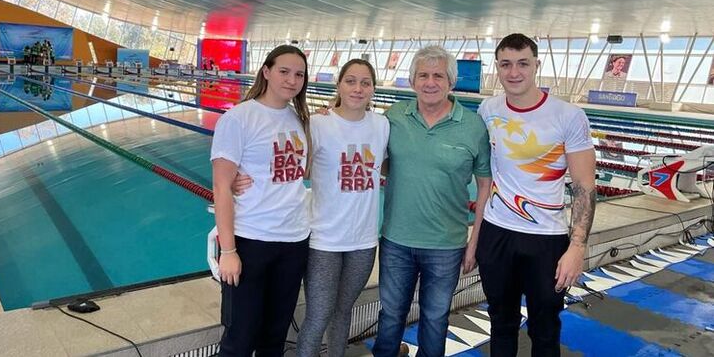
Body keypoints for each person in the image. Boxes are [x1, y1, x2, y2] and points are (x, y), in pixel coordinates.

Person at [234, 59, 390, 357]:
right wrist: (234, 180)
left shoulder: (381, 125)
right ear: (339, 85)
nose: (358, 89)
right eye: (351, 81)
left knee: (344, 313)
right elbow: (288, 165)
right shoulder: (317, 124)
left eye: (366, 83)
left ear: (373, 88)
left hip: (364, 240)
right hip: (323, 239)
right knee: (318, 316)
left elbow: (390, 166)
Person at [470, 33, 596, 356]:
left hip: (546, 239)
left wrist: (577, 248)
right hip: (497, 234)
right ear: (497, 68)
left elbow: (584, 187)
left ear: (536, 65)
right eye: (506, 65)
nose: (514, 73)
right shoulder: (488, 109)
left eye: (522, 64)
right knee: (500, 323)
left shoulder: (568, 116)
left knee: (545, 327)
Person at [373, 46, 492, 357]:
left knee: (435, 319)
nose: (430, 82)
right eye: (423, 75)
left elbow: (485, 185)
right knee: (390, 317)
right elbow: (366, 151)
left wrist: (474, 240)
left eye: (438, 75)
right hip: (396, 240)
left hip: (447, 245)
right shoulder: (394, 117)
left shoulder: (473, 126)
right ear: (413, 81)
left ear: (451, 82)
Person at [211, 44, 312, 357]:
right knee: (239, 339)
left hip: (294, 241)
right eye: (284, 71)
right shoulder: (239, 118)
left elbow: (300, 174)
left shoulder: (300, 120)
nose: (291, 80)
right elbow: (221, 186)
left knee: (275, 336)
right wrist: (228, 251)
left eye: (299, 75)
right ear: (266, 72)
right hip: (251, 240)